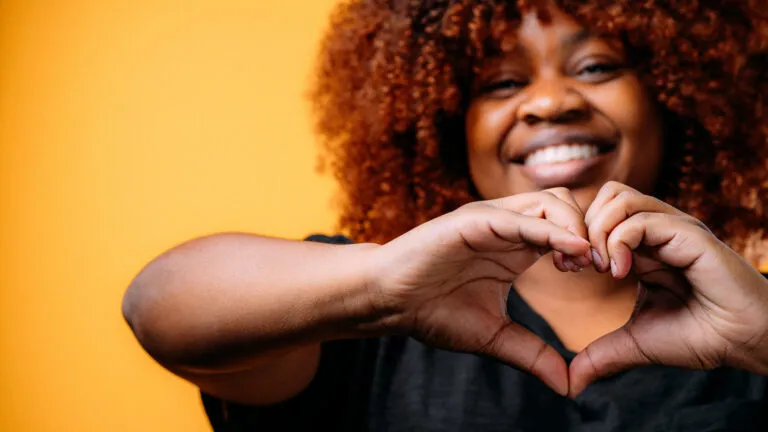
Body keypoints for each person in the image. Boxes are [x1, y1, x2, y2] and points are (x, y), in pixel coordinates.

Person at [122, 0, 768, 430]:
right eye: (501, 83)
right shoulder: (369, 312)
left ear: (674, 98)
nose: (548, 102)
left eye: (596, 66)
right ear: (441, 126)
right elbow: (156, 305)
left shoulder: (748, 322)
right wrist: (376, 285)